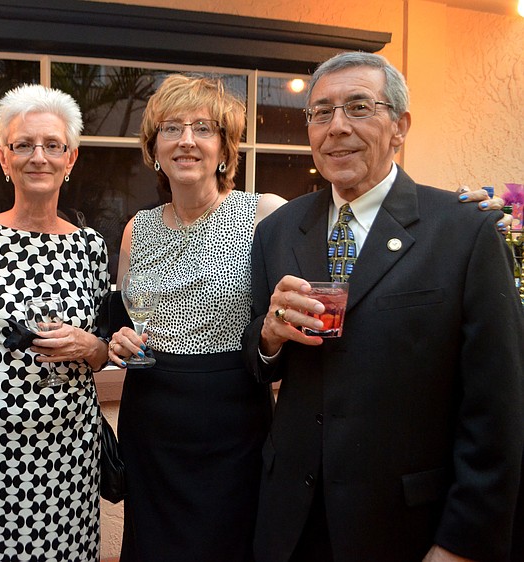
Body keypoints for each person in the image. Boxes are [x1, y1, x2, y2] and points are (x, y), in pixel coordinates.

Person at [242, 51, 524, 562]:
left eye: (358, 107)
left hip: (405, 524)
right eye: (321, 113)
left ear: (400, 126)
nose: (337, 127)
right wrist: (269, 338)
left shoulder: (463, 233)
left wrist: (462, 543)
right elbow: (259, 361)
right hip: (291, 521)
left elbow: (498, 407)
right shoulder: (277, 231)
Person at [106, 74, 285, 561]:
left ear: (225, 148)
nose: (186, 140)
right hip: (152, 420)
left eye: (203, 128)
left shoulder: (265, 215)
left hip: (232, 421)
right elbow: (126, 322)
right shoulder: (136, 229)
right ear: (154, 148)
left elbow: (289, 323)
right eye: (171, 128)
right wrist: (121, 342)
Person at [0, 84, 111, 561]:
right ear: (4, 157)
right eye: (23, 145)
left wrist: (90, 346)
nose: (39, 157)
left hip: (69, 446)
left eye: (53, 145)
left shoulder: (91, 247)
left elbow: (102, 349)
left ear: (70, 158)